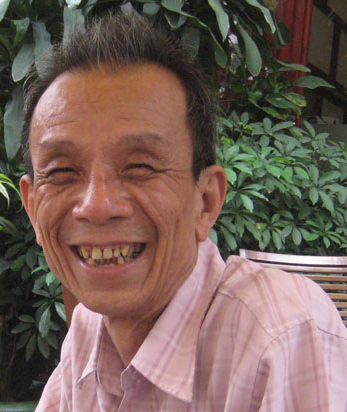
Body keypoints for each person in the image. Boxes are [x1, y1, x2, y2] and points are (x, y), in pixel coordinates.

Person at [19, 13, 347, 412]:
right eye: (62, 172)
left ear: (205, 201)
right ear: (33, 209)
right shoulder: (89, 329)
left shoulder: (280, 336)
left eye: (140, 167)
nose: (96, 206)